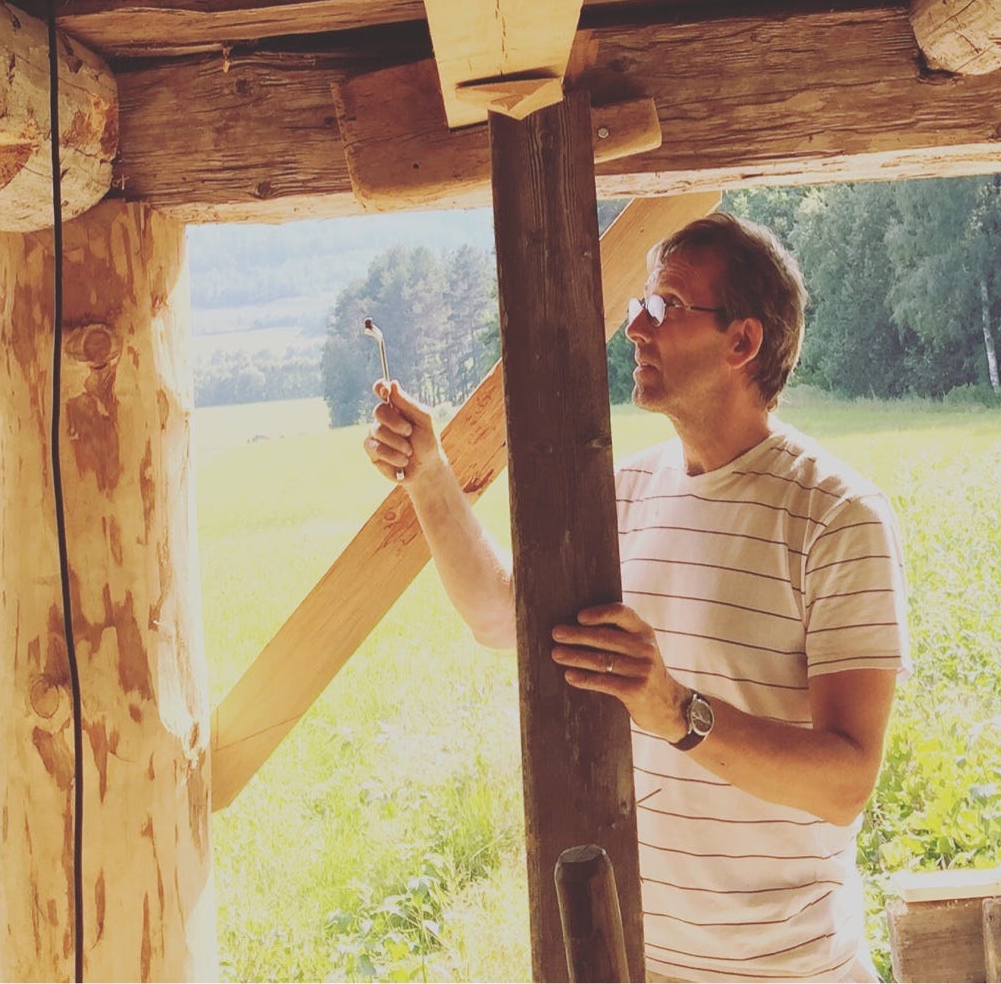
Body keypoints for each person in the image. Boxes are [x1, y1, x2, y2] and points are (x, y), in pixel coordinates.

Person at [366, 210, 909, 982]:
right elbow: (498, 616)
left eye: (663, 308)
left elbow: (846, 781)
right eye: (637, 309)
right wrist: (427, 471)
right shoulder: (620, 494)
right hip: (645, 967)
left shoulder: (838, 516)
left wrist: (677, 712)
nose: (635, 331)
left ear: (741, 343)